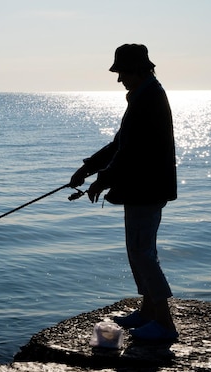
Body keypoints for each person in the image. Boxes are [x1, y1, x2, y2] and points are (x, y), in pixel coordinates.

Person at [69, 44, 178, 341]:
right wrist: (88, 168)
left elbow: (130, 152)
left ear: (139, 70)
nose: (119, 80)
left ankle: (165, 324)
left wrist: (100, 180)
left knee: (143, 254)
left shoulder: (149, 99)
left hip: (147, 188)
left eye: (122, 73)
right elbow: (120, 144)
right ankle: (148, 312)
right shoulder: (144, 96)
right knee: (140, 251)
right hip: (141, 189)